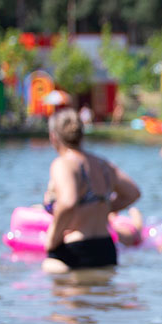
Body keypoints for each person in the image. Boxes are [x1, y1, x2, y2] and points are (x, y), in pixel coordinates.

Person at [41, 108, 141, 273]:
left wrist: (52, 239)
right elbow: (133, 193)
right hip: (107, 249)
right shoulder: (102, 164)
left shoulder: (63, 163)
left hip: (76, 248)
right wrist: (105, 207)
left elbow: (68, 202)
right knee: (99, 295)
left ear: (53, 137)